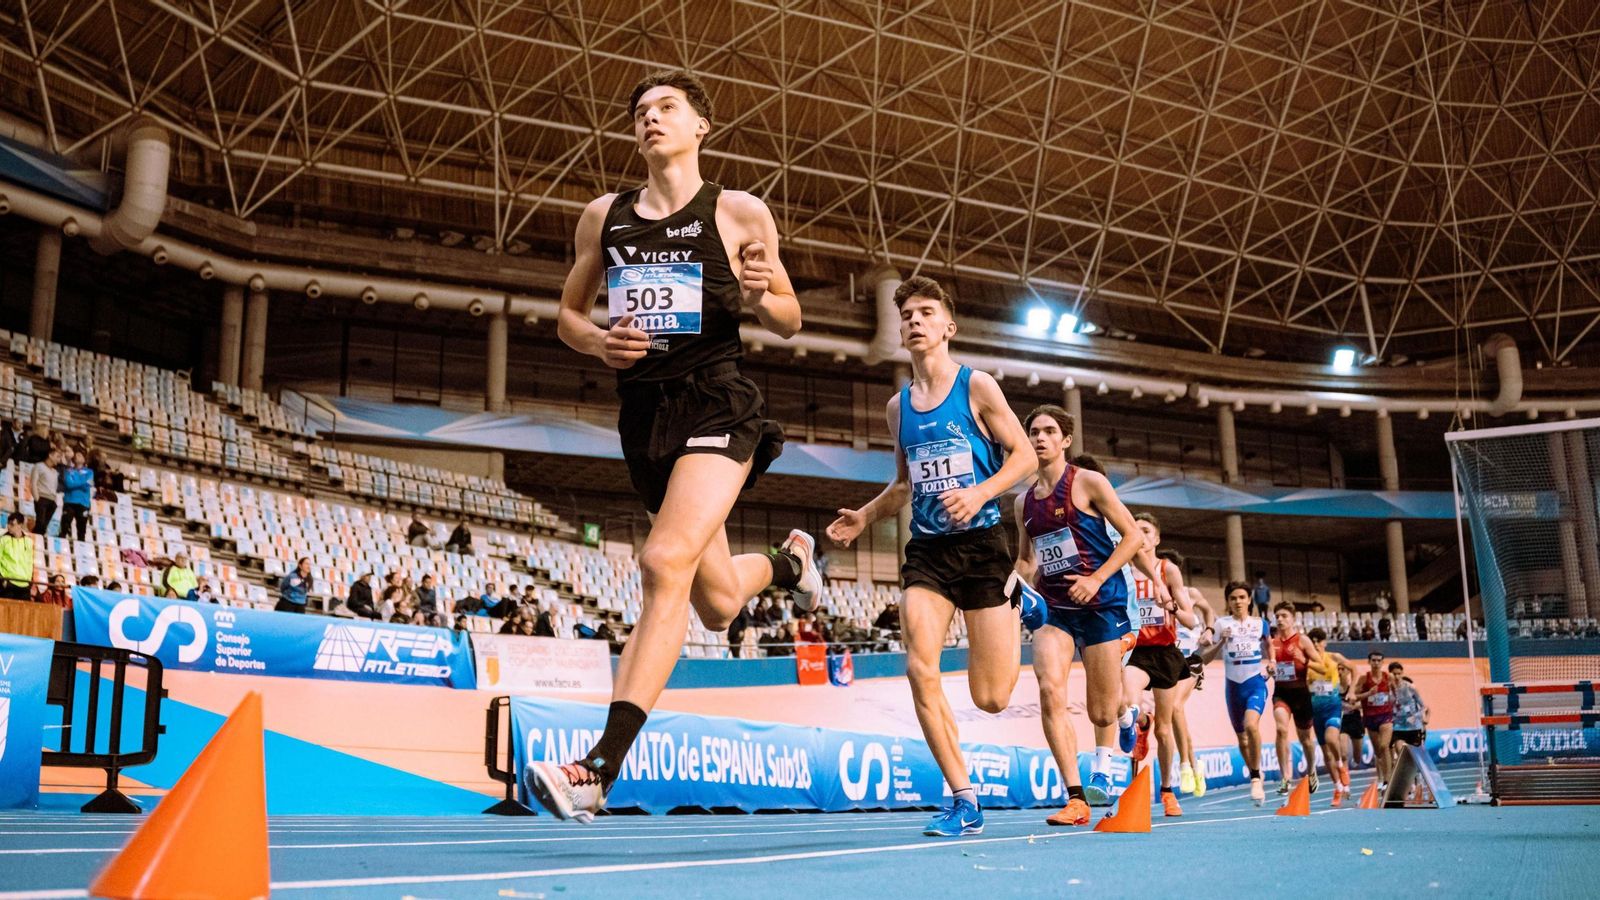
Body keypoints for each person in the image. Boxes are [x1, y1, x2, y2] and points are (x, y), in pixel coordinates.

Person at [524, 71, 822, 825]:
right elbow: (567, 316)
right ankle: (791, 565)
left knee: (662, 564)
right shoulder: (605, 217)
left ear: (700, 127)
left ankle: (597, 770)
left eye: (667, 108)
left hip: (719, 401)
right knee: (717, 604)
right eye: (640, 112)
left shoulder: (738, 210)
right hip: (644, 416)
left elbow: (790, 318)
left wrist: (763, 292)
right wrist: (598, 341)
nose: (650, 118)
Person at [826, 276, 1035, 837]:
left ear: (948, 327)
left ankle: (1020, 598)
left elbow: (1024, 458)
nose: (914, 321)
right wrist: (866, 515)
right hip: (928, 552)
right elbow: (903, 485)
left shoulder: (978, 387)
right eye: (907, 315)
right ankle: (964, 797)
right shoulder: (898, 408)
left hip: (984, 546)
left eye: (925, 312)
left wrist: (981, 493)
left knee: (991, 698)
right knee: (920, 668)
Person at [1010, 405, 1144, 822]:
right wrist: (1009, 590)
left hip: (1101, 606)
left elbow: (1133, 536)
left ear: (1066, 440)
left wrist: (1096, 579)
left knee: (1101, 711)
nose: (1040, 438)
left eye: (1049, 431)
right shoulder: (1023, 502)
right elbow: (1026, 560)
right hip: (1055, 610)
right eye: (1034, 431)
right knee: (1050, 689)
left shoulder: (1087, 482)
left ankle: (1126, 715)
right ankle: (1075, 798)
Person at [1120, 514, 1195, 817]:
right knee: (1127, 703)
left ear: (1157, 538)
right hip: (1136, 652)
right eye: (1135, 530)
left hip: (1164, 653)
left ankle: (1167, 791)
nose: (1140, 535)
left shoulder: (1168, 570)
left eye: (1146, 530)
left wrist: (1171, 606)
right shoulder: (1122, 569)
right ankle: (1141, 723)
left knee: (1165, 731)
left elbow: (1191, 620)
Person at [1213, 580, 1272, 805]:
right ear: (1228, 602)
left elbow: (1269, 644)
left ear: (1249, 600)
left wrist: (1273, 661)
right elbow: (1208, 652)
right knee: (1242, 738)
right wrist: (1220, 642)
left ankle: (1255, 777)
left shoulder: (1260, 624)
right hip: (1233, 686)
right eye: (1233, 598)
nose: (1238, 602)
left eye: (1242, 597)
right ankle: (1255, 772)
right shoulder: (1221, 624)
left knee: (1251, 725)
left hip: (1254, 683)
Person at [1269, 603, 1323, 796]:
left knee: (1305, 740)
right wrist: (1270, 670)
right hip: (1281, 693)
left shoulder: (1303, 640)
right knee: (1281, 729)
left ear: (1293, 619)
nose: (1280, 619)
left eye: (1284, 616)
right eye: (1277, 616)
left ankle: (1311, 770)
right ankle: (1285, 777)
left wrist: (1304, 660)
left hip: (1301, 694)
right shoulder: (1273, 642)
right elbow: (1272, 665)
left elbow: (1322, 667)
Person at [1172, 584, 1215, 797]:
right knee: (1176, 715)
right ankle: (1196, 766)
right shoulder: (1156, 594)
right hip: (1168, 661)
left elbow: (1208, 611)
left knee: (1175, 706)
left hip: (1192, 660)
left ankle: (1185, 766)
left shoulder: (1191, 593)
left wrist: (1209, 629)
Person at [1307, 628, 1356, 806]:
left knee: (1331, 739)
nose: (1315, 645)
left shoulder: (1334, 657)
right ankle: (1337, 788)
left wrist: (1351, 690)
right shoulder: (1307, 663)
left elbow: (1354, 668)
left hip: (1333, 707)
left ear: (1324, 643)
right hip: (1316, 711)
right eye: (1312, 642)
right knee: (1326, 754)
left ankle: (1341, 766)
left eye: (1318, 642)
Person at [1352, 649, 1397, 789]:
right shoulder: (1364, 679)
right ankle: (1382, 777)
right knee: (1378, 752)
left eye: (1379, 661)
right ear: (1369, 662)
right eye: (1373, 660)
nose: (1376, 663)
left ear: (1382, 663)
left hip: (1386, 716)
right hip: (1370, 718)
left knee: (1384, 746)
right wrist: (1368, 693)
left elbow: (1397, 693)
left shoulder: (1388, 677)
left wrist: (1395, 701)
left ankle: (1388, 780)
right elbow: (1354, 697)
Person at [1388, 661, 1428, 758]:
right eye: (1394, 674)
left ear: (1402, 673)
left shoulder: (1411, 688)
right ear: (1390, 674)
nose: (1397, 676)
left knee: (1414, 757)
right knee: (1401, 752)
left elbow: (1423, 707)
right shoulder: (1387, 689)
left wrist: (1416, 717)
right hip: (1398, 727)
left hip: (1413, 727)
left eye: (1399, 674)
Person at [58, 451, 93, 541]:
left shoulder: (89, 472)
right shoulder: (68, 471)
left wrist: (75, 482)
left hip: (83, 503)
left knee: (81, 528)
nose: (77, 456)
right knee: (65, 524)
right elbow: (69, 484)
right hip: (69, 501)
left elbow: (87, 485)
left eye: (80, 455)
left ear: (84, 459)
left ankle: (80, 546)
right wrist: (82, 482)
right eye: (76, 455)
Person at [0, 513, 35, 600]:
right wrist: (3, 580)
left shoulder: (29, 541)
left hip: (25, 584)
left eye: (12, 524)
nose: (8, 526)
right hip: (8, 583)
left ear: (20, 525)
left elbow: (30, 562)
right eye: (8, 523)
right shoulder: (3, 540)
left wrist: (29, 580)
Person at [29, 448, 59, 537]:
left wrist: (55, 500)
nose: (59, 459)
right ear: (50, 455)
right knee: (40, 523)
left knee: (44, 526)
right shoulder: (39, 466)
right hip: (42, 498)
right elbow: (33, 483)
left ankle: (36, 539)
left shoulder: (55, 472)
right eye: (57, 456)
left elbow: (55, 487)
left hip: (52, 500)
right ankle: (33, 539)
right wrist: (37, 499)